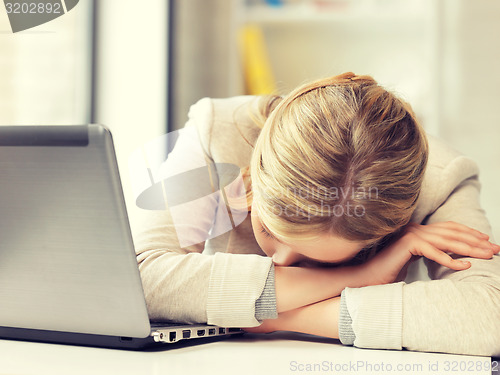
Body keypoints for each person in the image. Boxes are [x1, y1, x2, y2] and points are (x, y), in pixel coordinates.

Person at [132, 72, 500, 356]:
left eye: (314, 258)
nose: (281, 262)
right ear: (257, 171)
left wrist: (277, 317)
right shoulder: (220, 131)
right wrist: (359, 274)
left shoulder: (440, 179)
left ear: (389, 231)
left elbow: (490, 317)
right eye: (272, 231)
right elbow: (139, 277)